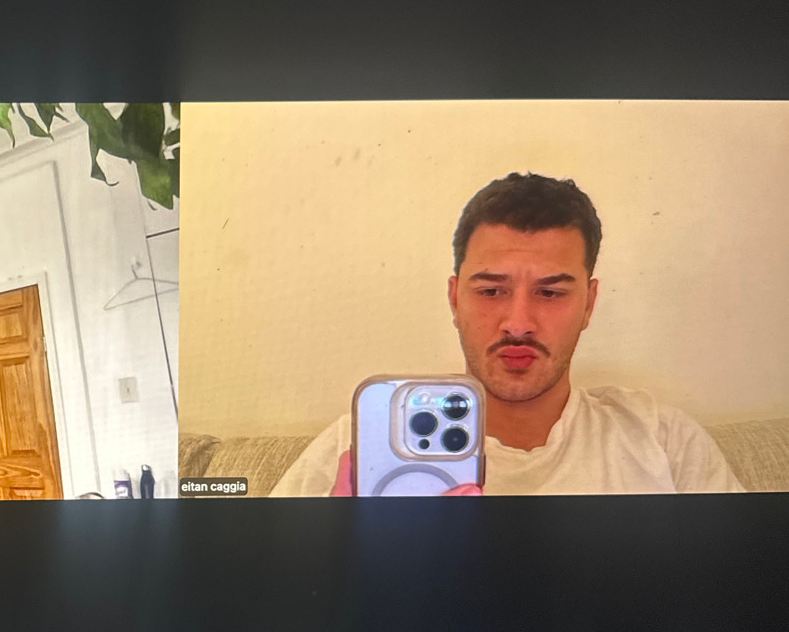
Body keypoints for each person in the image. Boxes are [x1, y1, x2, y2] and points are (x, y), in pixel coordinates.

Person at [274, 171, 744, 497]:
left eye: (550, 293)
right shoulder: (360, 445)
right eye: (491, 291)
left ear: (589, 304)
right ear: (455, 299)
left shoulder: (664, 441)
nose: (518, 323)